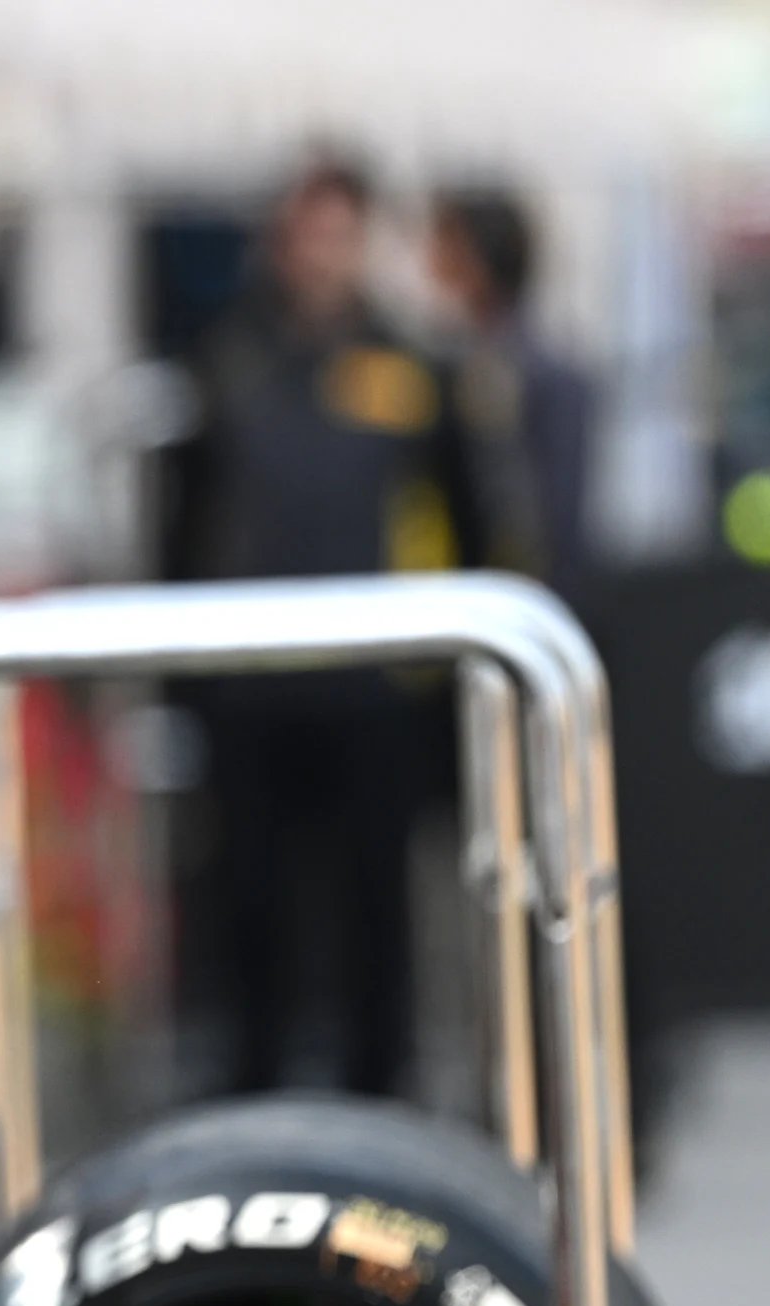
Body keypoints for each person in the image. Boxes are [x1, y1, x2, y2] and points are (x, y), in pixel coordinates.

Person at [164, 154, 477, 1099]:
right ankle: (254, 1092)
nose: (323, 254)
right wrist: (185, 677)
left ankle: (382, 1091)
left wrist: (445, 673)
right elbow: (184, 523)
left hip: (376, 685)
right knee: (251, 907)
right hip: (251, 685)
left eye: (341, 234)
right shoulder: (228, 359)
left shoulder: (411, 365)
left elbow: (461, 516)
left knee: (376, 908)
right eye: (310, 233)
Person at [429, 186, 596, 599]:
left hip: (513, 604)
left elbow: (548, 522)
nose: (432, 264)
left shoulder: (531, 374)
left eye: (447, 250)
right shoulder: (458, 362)